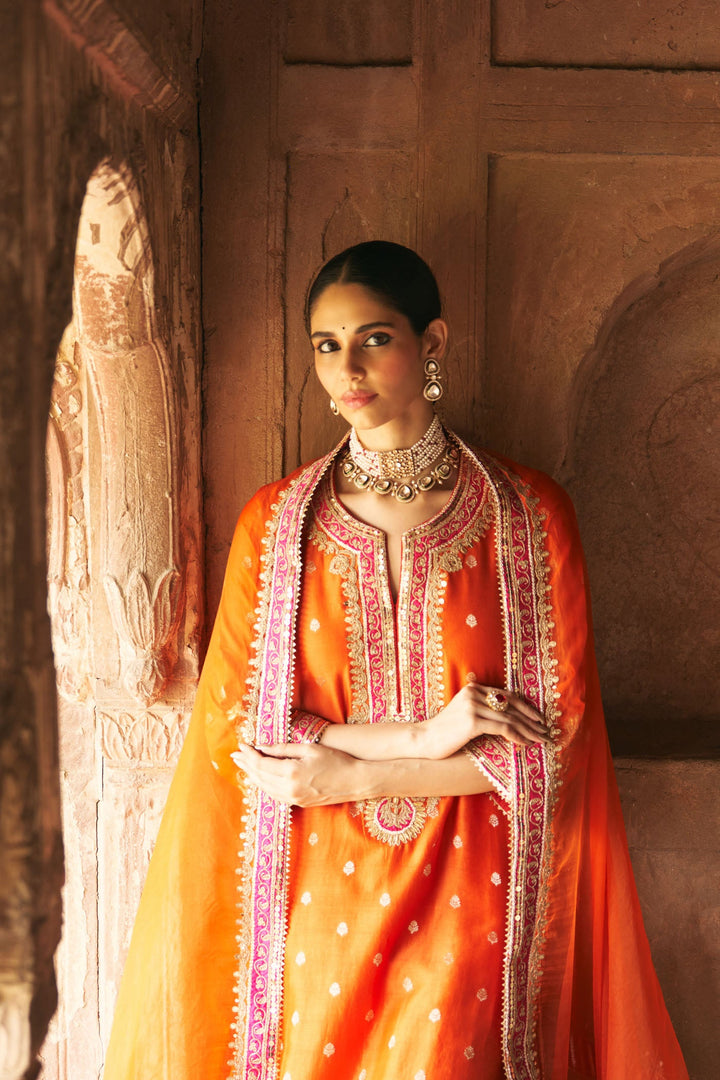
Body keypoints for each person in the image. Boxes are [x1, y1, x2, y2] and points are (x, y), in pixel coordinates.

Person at [103, 241, 688, 1080]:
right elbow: (252, 735)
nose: (347, 368)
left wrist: (349, 773)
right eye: (325, 345)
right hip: (316, 893)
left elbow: (550, 746)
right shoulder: (276, 529)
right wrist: (425, 737)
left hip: (475, 884)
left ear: (433, 343)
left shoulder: (525, 519)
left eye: (374, 338)